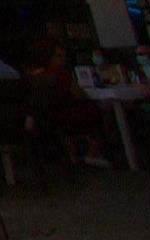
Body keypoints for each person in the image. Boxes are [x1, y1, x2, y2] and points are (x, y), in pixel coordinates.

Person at [25, 39, 110, 167]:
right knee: (100, 110)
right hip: (65, 115)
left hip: (45, 116)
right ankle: (93, 152)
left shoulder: (31, 76)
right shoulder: (60, 74)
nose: (63, 59)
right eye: (58, 56)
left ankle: (73, 156)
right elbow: (79, 94)